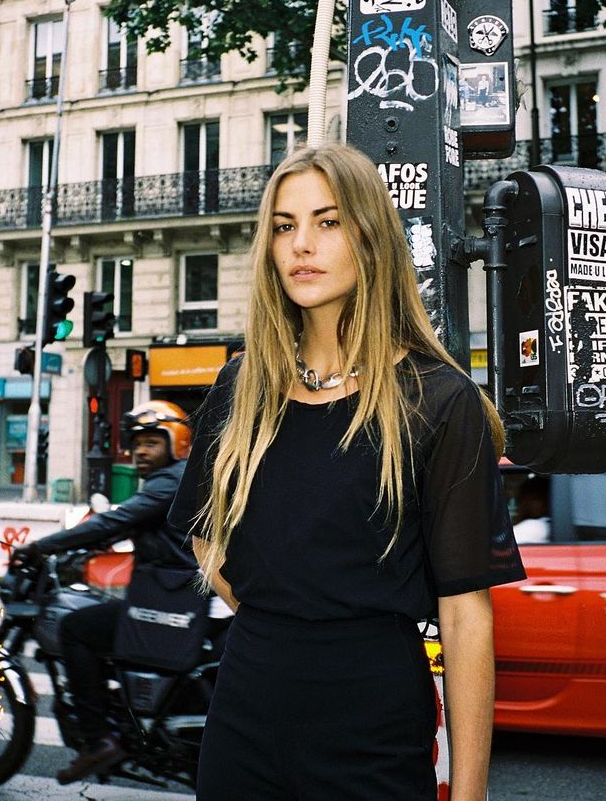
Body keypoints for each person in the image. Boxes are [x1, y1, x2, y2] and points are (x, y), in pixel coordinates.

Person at [168, 143, 526, 801]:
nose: (301, 243)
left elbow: (466, 614)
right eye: (284, 226)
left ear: (371, 237)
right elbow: (200, 531)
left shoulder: (439, 401)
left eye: (327, 222)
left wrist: (470, 795)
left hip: (374, 724)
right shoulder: (241, 386)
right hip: (245, 708)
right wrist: (283, 620)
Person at [14, 400, 196, 785]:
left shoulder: (170, 481)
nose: (141, 452)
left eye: (151, 442)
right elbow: (134, 525)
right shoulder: (178, 479)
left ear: (175, 442)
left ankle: (97, 740)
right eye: (137, 443)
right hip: (173, 595)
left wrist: (42, 546)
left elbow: (116, 518)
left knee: (77, 628)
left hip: (166, 599)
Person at [512, 474, 551, 544]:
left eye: (533, 499)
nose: (523, 504)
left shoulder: (535, 527)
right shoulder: (548, 525)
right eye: (520, 500)